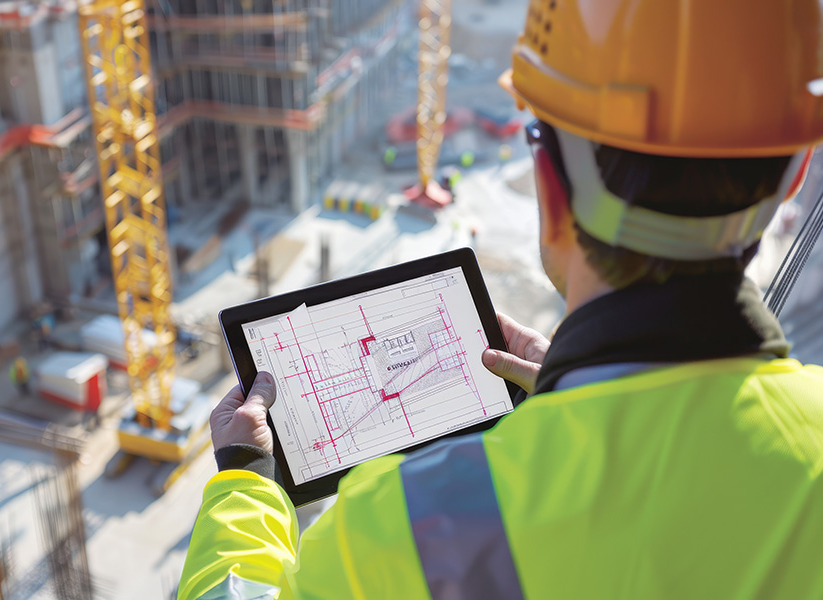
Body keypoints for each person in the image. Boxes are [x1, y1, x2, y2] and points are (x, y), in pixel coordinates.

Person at [177, 2, 823, 598]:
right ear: (794, 176)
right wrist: (594, 407)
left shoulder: (407, 523)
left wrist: (246, 477)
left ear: (549, 183)